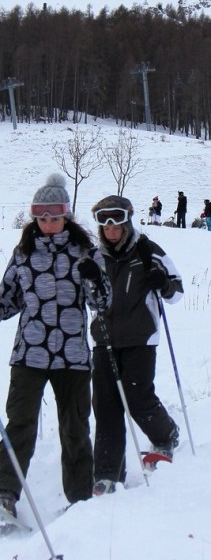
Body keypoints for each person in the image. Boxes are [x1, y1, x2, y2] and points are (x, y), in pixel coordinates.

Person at [0, 174, 112, 526]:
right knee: (19, 424)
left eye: (54, 217)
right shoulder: (24, 254)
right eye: (41, 217)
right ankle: (2, 493)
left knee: (75, 429)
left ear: (66, 216)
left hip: (72, 357)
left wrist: (95, 278)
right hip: (29, 353)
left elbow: (102, 303)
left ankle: (80, 499)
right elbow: (9, 300)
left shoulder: (85, 252)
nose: (48, 224)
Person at [89, 195, 184, 496]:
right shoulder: (95, 257)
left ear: (127, 222)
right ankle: (107, 474)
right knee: (105, 404)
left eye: (116, 224)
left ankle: (166, 434)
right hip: (105, 339)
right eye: (105, 225)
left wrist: (163, 283)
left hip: (141, 337)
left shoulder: (147, 251)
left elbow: (177, 291)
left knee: (137, 396)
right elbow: (86, 297)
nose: (111, 230)